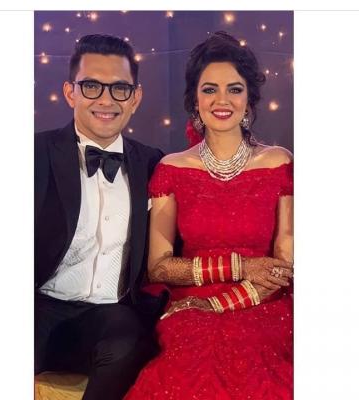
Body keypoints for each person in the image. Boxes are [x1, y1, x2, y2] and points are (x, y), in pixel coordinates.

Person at [125, 31, 294, 400]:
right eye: (209, 89)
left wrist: (220, 303)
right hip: (190, 306)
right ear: (195, 99)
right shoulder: (172, 168)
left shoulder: (279, 163)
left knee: (255, 365)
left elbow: (283, 269)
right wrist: (238, 269)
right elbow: (159, 267)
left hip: (262, 301)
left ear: (249, 99)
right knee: (189, 364)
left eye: (234, 89)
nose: (222, 100)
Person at [34, 34, 167, 400]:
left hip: (108, 318)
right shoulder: (33, 153)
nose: (106, 100)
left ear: (135, 98)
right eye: (91, 86)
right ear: (70, 92)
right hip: (37, 307)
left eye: (120, 88)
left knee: (129, 340)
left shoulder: (154, 163)